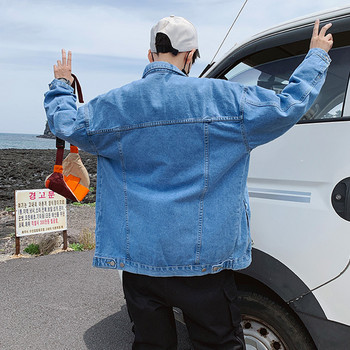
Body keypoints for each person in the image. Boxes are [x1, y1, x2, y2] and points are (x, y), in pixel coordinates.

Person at [44, 15, 333, 350]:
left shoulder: (113, 106)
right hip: (205, 265)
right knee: (217, 343)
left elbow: (64, 120)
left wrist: (63, 84)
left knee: (151, 344)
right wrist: (315, 57)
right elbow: (286, 106)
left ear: (150, 55)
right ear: (191, 55)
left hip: (140, 263)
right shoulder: (226, 98)